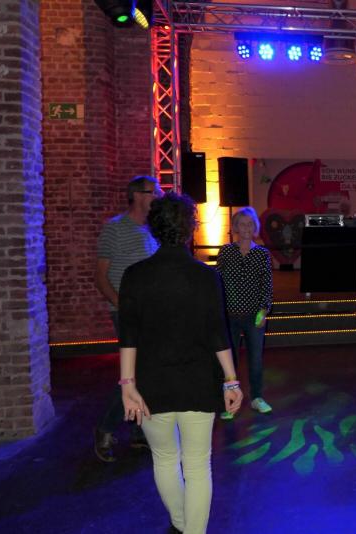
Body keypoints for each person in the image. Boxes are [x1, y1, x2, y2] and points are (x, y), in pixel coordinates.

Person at [119, 192, 243, 534]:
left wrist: (127, 385)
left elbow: (127, 336)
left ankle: (180, 524)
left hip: (150, 383)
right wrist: (231, 380)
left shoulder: (134, 275)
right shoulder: (205, 276)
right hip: (197, 381)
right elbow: (218, 333)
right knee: (198, 466)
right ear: (190, 228)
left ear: (153, 227)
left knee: (164, 459)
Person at [93, 175, 161, 462]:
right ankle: (106, 429)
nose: (158, 196)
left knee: (144, 370)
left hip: (151, 313)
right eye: (153, 192)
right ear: (137, 195)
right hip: (126, 312)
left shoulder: (152, 230)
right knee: (133, 371)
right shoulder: (115, 228)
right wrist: (122, 306)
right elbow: (100, 276)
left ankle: (137, 431)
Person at [216, 207, 274, 415]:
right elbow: (217, 281)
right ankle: (229, 401)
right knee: (229, 361)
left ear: (255, 227)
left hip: (253, 315)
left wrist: (263, 310)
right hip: (229, 315)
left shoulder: (262, 254)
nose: (247, 228)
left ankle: (257, 397)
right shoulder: (226, 251)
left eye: (250, 224)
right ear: (235, 228)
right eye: (242, 224)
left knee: (255, 359)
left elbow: (267, 285)